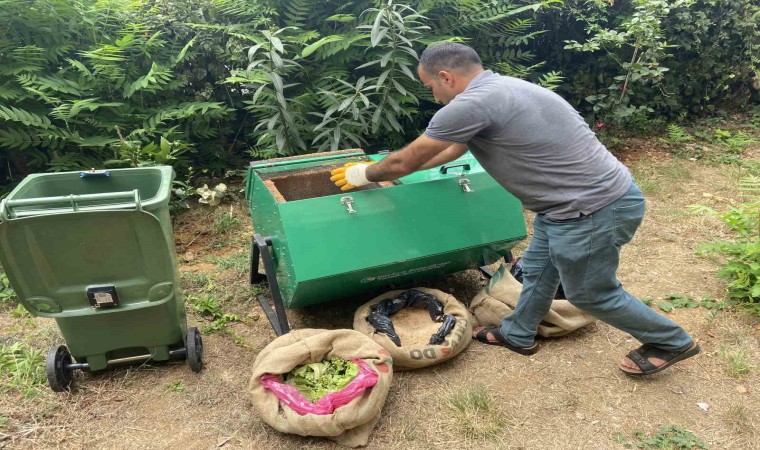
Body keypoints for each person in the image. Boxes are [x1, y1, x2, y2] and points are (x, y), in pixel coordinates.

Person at [329, 42, 700, 376]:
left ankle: (672, 341)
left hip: (592, 209)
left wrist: (365, 173)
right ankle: (518, 334)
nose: (434, 96)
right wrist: (394, 168)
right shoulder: (504, 88)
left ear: (445, 77)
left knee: (590, 294)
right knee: (538, 271)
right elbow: (449, 151)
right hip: (567, 207)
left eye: (431, 87)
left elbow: (405, 161)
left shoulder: (469, 104)